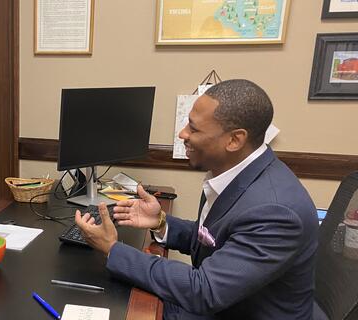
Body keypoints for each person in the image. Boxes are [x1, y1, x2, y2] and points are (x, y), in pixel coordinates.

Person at [75, 79, 318, 319]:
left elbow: (204, 291)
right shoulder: (235, 174)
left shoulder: (275, 211)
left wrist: (113, 249)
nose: (183, 134)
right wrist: (161, 222)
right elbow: (215, 240)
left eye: (194, 128)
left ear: (235, 140)